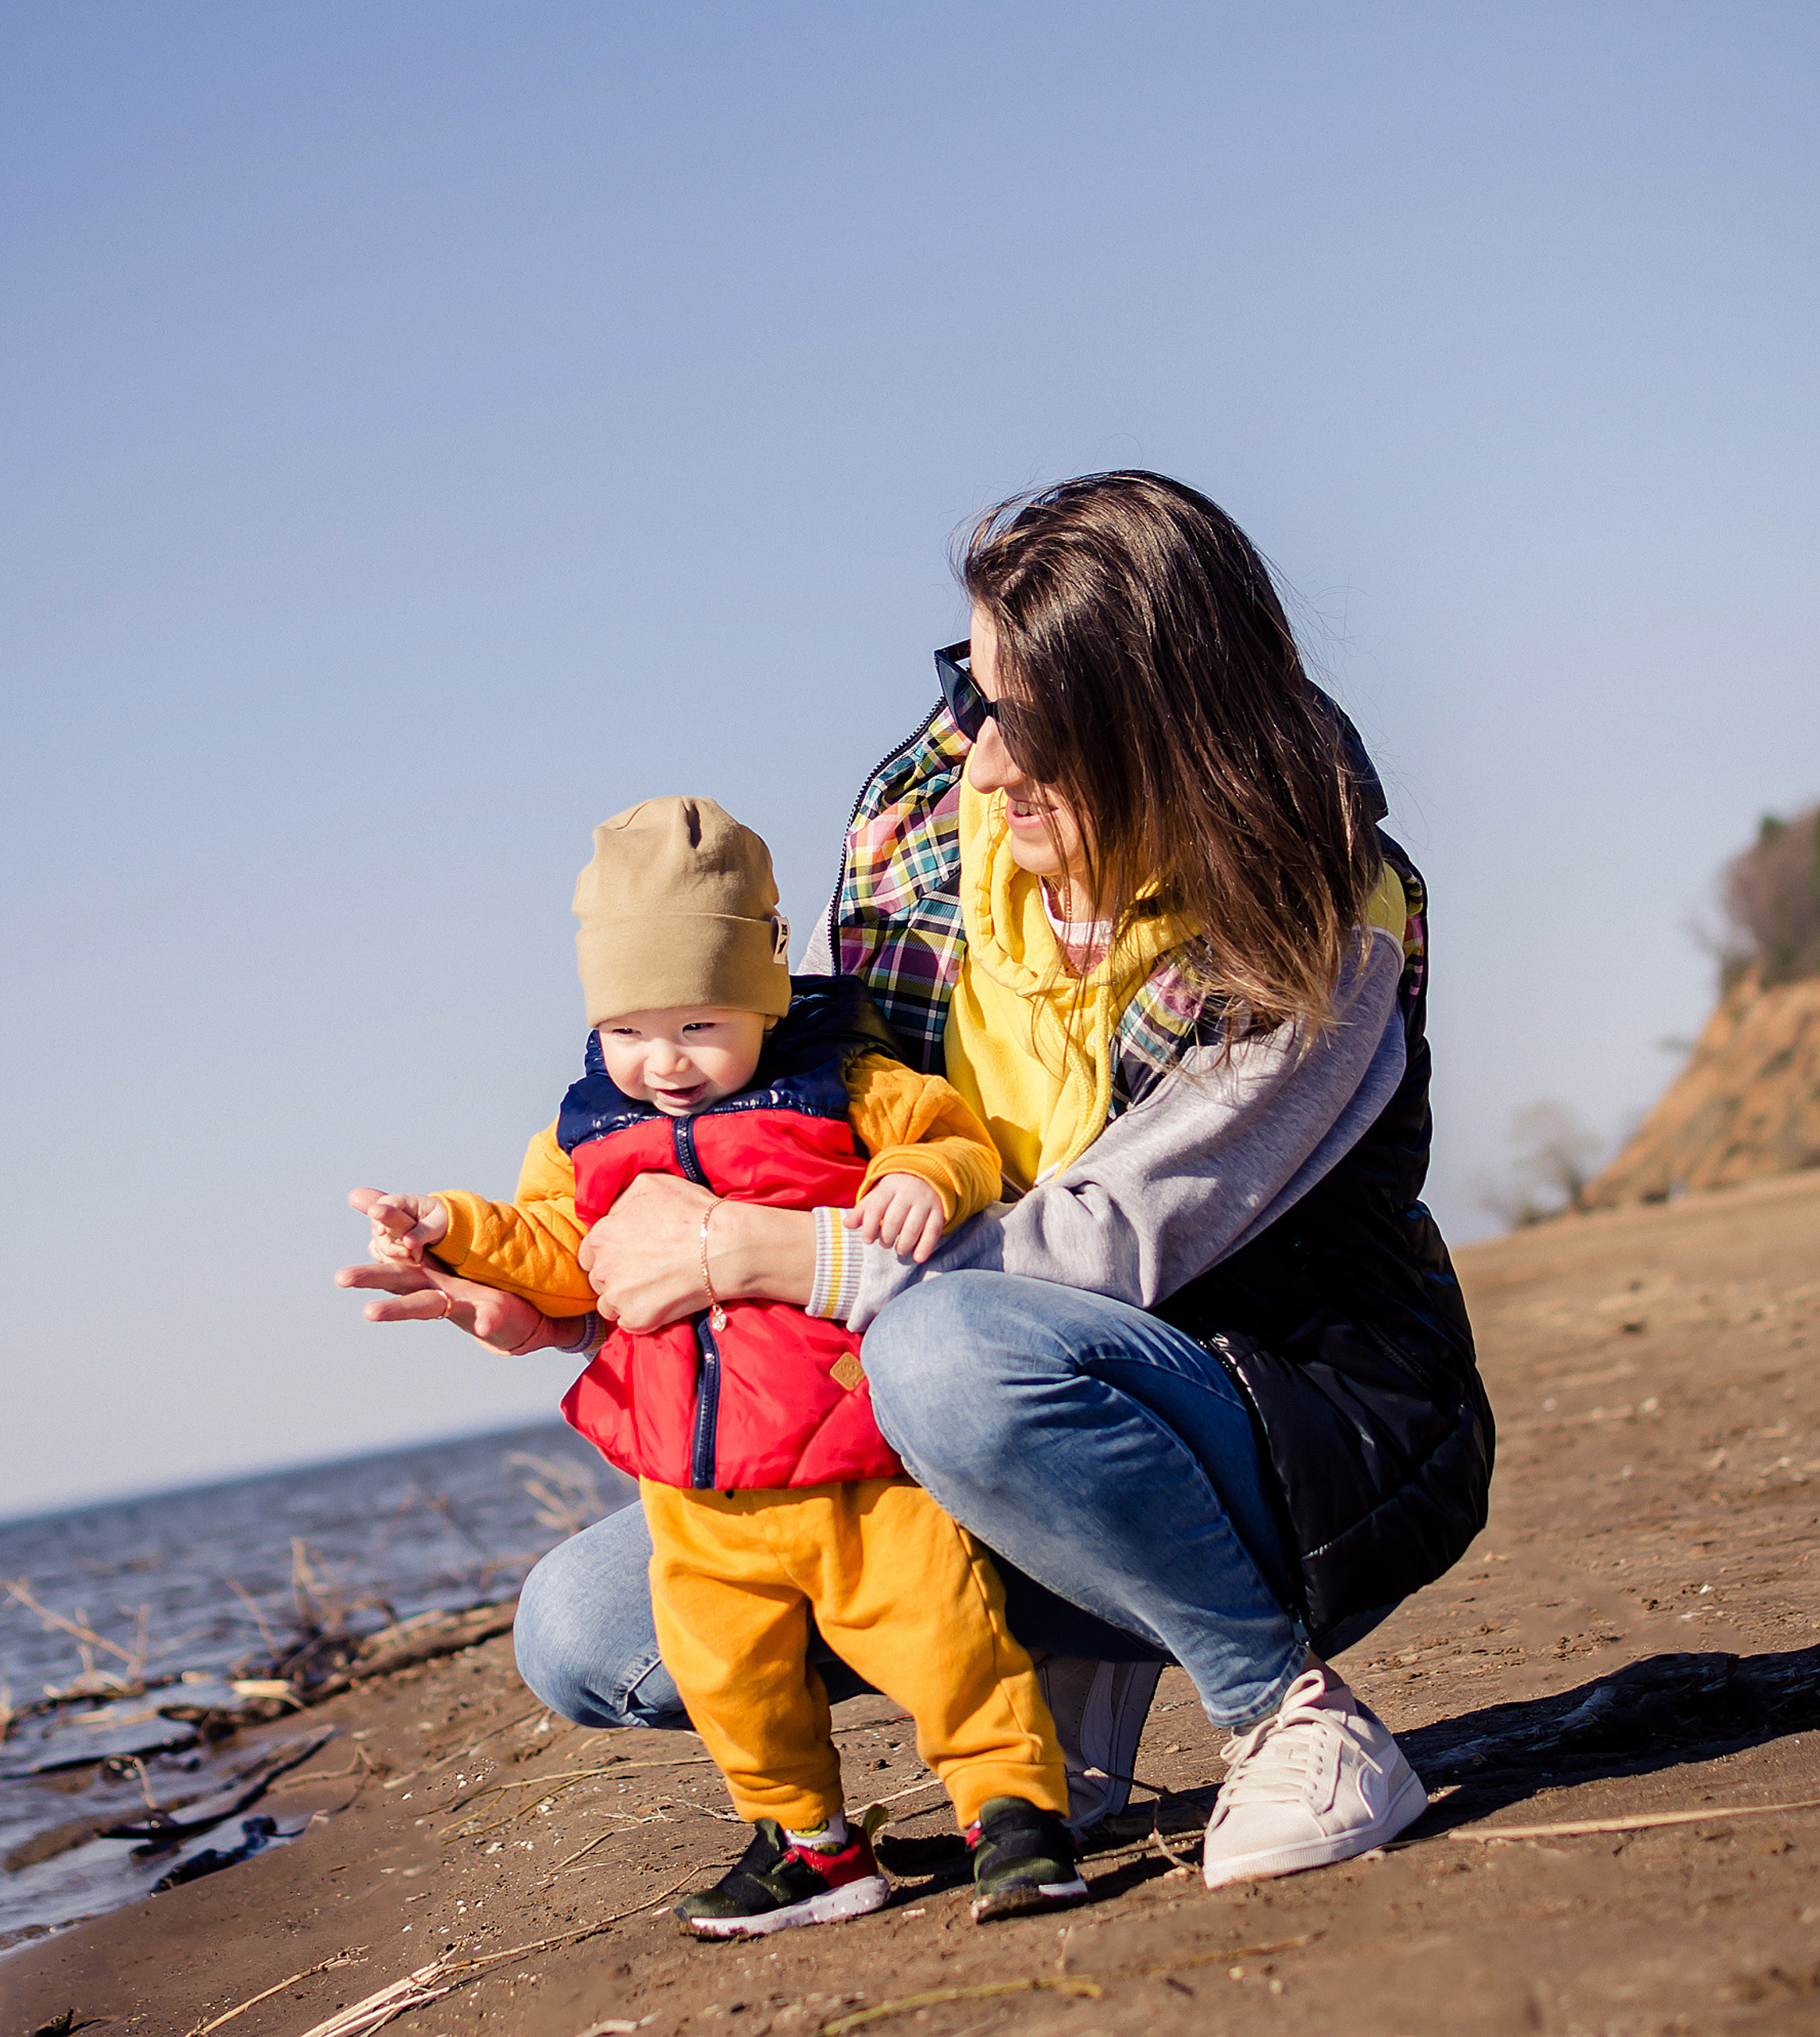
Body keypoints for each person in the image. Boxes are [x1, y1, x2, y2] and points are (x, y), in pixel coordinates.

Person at [343, 472, 1492, 1894]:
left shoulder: (1321, 913)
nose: (990, 762)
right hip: (942, 1377)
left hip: (1280, 1400)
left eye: (1039, 727)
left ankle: (1290, 1714)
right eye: (977, 694)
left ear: (1165, 730)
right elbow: (819, 1156)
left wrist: (756, 1258)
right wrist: (569, 1312)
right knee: (587, 1630)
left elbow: (1105, 1246)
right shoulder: (918, 837)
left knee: (948, 1355)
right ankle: (1067, 1637)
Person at [345, 795, 1090, 1935]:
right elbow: (559, 1253)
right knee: (731, 1679)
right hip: (692, 1491)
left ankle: (1014, 1812)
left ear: (766, 991)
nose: (666, 1062)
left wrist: (924, 1179)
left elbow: (953, 1138)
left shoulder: (838, 1084)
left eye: (701, 1025)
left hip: (853, 1458)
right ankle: (811, 1844)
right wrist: (447, 1223)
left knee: (944, 1634)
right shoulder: (583, 1136)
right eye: (631, 1030)